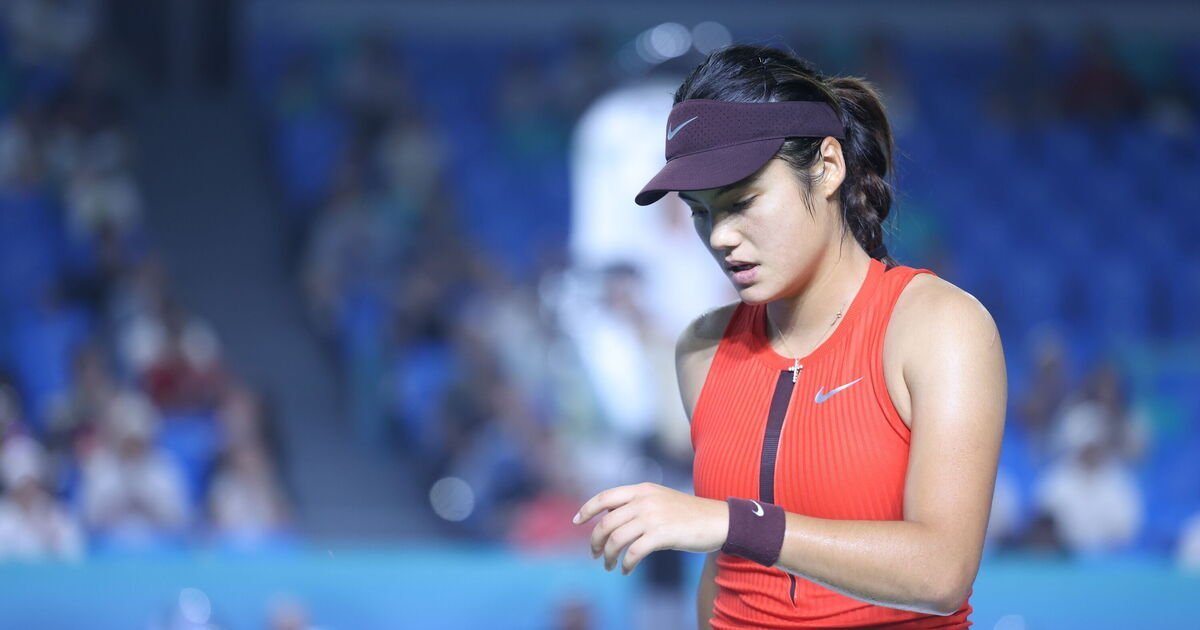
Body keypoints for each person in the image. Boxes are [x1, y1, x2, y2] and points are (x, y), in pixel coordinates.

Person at [572, 45, 1006, 628]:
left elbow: (942, 574)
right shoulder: (702, 348)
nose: (720, 236)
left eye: (742, 202)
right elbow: (727, 575)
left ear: (826, 166)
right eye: (701, 212)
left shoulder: (939, 326)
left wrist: (735, 522)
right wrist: (730, 532)